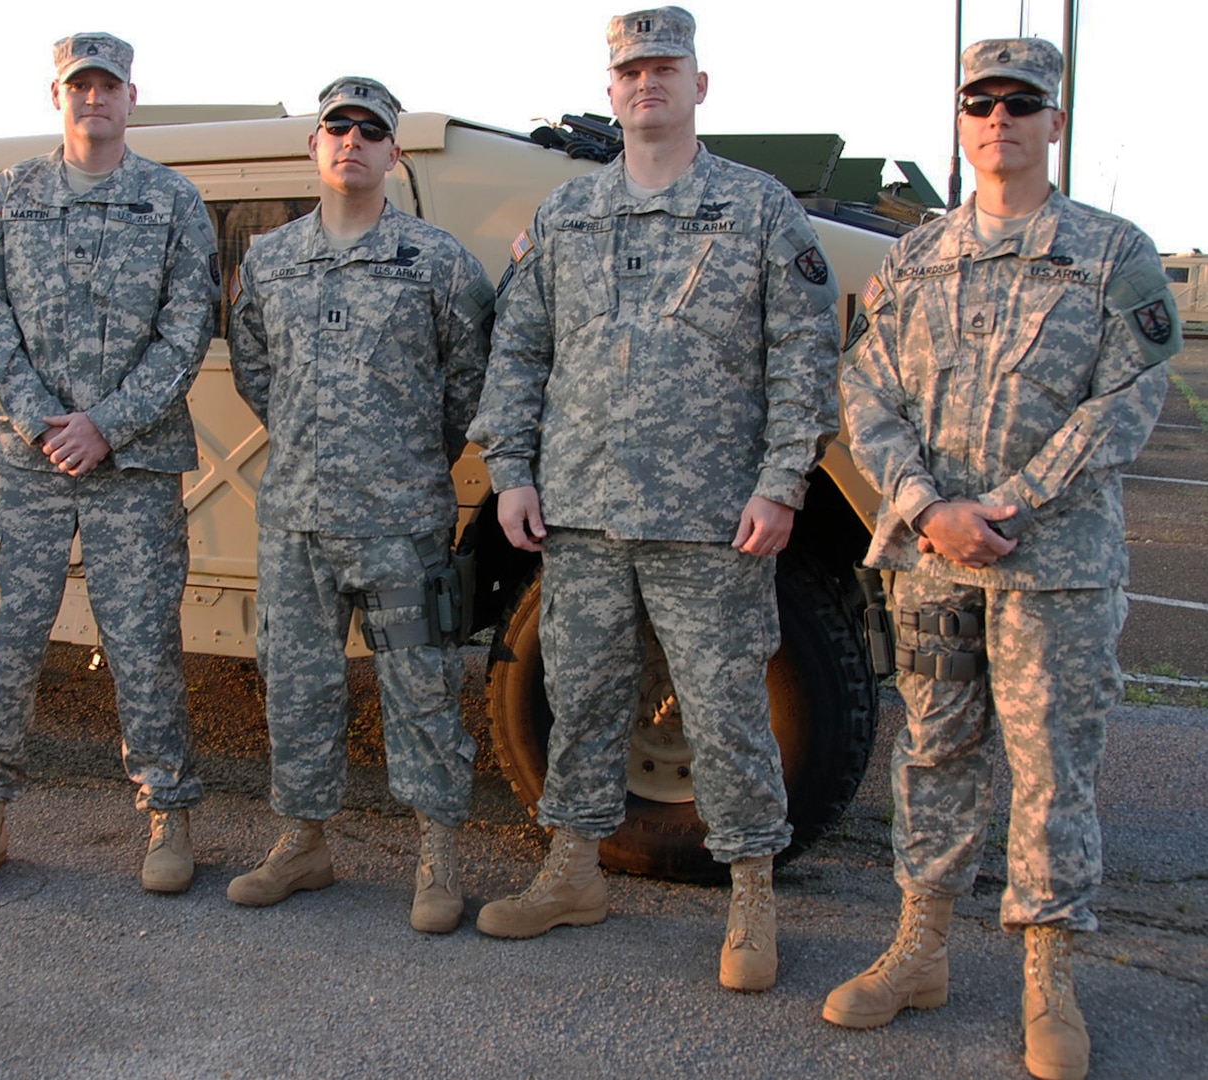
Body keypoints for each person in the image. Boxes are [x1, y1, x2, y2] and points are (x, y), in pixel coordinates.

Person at [825, 38, 1180, 1080]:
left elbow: (1131, 399)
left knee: (1051, 775)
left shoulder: (1112, 253)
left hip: (1052, 564)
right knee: (933, 752)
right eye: (980, 101)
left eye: (1023, 102)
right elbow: (865, 392)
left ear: (1053, 123)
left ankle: (1048, 977)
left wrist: (1010, 502)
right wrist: (928, 508)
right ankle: (919, 950)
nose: (1000, 118)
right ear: (962, 120)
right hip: (935, 561)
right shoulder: (916, 256)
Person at [466, 7, 841, 991]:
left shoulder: (759, 210)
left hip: (714, 516)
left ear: (700, 86)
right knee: (582, 697)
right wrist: (512, 471)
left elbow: (805, 359)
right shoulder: (565, 216)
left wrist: (782, 481)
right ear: (611, 91)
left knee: (725, 708)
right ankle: (572, 870)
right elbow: (521, 350)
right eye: (630, 70)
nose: (647, 83)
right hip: (583, 511)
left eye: (665, 67)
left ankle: (752, 889)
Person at [0, 32, 219, 896]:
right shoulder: (9, 195)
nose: (93, 99)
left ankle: (168, 813)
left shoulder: (173, 201)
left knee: (143, 646)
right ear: (56, 97)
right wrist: (40, 422)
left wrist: (106, 425)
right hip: (26, 469)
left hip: (131, 468)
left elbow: (187, 329)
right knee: (7, 643)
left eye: (108, 85)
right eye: (78, 86)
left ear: (132, 98)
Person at [226, 77, 493, 934]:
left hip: (402, 522)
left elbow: (468, 386)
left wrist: (407, 458)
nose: (352, 140)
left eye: (370, 130)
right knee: (298, 689)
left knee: (422, 690)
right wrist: (319, 446)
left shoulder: (439, 262)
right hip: (297, 521)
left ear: (393, 153)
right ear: (314, 146)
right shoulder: (268, 261)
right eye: (336, 127)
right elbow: (256, 371)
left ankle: (438, 856)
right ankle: (303, 842)